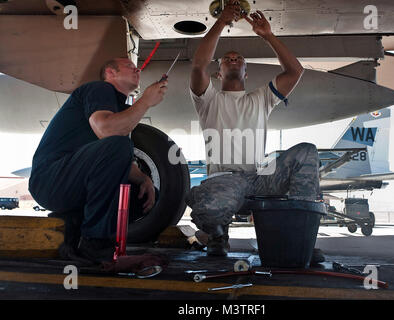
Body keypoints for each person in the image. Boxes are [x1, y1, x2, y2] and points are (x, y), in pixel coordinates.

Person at [187, 2, 323, 261]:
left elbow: (295, 71)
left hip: (258, 179)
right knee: (209, 211)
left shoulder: (261, 98)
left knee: (307, 153)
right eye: (227, 59)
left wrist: (269, 36)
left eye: (239, 59)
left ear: (246, 72)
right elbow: (197, 67)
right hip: (225, 180)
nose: (233, 59)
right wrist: (221, 22)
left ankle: (300, 236)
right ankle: (217, 234)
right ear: (218, 73)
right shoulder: (208, 100)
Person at [29, 57, 168, 263]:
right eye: (129, 66)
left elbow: (115, 161)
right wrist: (145, 101)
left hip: (71, 183)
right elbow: (107, 131)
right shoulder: (99, 89)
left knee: (141, 197)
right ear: (110, 73)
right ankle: (95, 243)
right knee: (119, 145)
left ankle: (71, 226)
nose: (137, 69)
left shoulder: (121, 109)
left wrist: (144, 180)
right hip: (50, 180)